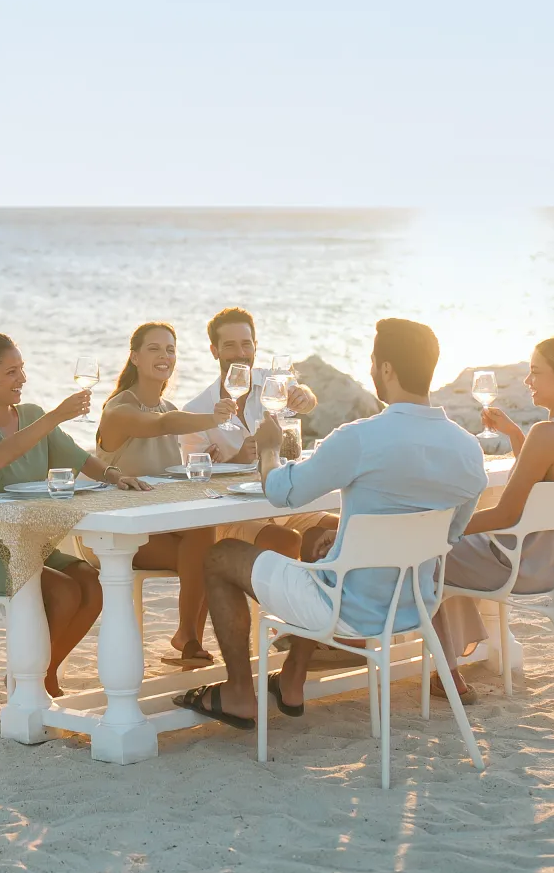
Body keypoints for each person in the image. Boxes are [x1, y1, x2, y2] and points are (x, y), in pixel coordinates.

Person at [179, 318, 487, 730]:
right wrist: (347, 536)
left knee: (220, 556)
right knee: (314, 538)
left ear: (387, 369)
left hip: (346, 605)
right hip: (415, 602)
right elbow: (445, 535)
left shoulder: (359, 438)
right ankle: (291, 678)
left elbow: (284, 492)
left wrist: (269, 451)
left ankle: (238, 693)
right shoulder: (468, 449)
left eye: (374, 362)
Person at [0, 333, 148, 697]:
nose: (22, 379)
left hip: (37, 547)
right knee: (63, 592)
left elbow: (76, 456)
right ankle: (30, 685)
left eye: (22, 369)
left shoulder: (31, 416)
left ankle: (41, 676)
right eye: (11, 372)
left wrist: (115, 475)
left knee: (91, 583)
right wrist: (57, 416)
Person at [430, 334, 554, 700]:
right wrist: (514, 433)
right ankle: (453, 660)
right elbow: (548, 478)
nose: (528, 382)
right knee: (448, 547)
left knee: (426, 552)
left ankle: (446, 673)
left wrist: (448, 529)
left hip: (515, 566)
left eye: (535, 373)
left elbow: (507, 513)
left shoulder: (547, 434)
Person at [94, 322, 239, 667]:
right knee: (207, 548)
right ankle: (188, 637)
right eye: (154, 349)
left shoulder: (169, 407)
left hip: (159, 523)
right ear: (134, 357)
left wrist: (208, 460)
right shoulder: (119, 411)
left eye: (171, 349)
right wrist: (212, 418)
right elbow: (162, 425)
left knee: (208, 539)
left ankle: (188, 636)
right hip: (115, 530)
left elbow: (168, 470)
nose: (164, 356)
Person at [179, 307, 331, 559]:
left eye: (246, 344)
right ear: (214, 351)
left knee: (344, 527)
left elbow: (306, 395)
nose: (240, 353)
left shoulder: (273, 383)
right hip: (233, 515)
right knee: (284, 541)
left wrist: (305, 396)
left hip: (285, 506)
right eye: (229, 345)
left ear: (255, 346)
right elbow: (195, 485)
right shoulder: (196, 411)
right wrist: (236, 461)